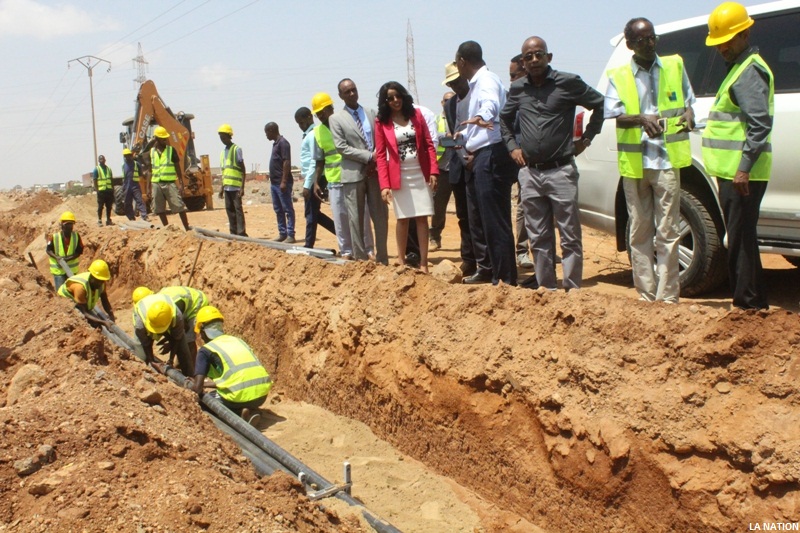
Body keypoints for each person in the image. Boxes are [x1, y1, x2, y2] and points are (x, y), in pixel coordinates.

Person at [500, 36, 605, 291]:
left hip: (561, 171)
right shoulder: (518, 89)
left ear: (549, 57)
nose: (534, 60)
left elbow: (600, 104)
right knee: (538, 238)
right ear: (523, 62)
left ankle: (572, 292)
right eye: (529, 57)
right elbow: (504, 120)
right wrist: (512, 147)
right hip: (530, 174)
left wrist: (587, 138)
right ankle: (547, 292)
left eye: (539, 54)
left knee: (570, 236)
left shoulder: (568, 82)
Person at [605, 18, 696, 303]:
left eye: (652, 37)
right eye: (642, 40)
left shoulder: (674, 66)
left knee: (669, 230)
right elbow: (614, 114)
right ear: (630, 44)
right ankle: (646, 296)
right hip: (636, 164)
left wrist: (689, 116)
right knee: (640, 231)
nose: (649, 43)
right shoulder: (619, 74)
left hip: (666, 161)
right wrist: (641, 119)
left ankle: (667, 298)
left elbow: (689, 104)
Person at [703, 2, 774, 309]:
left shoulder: (748, 71)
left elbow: (760, 125)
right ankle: (754, 304)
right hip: (734, 173)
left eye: (728, 41)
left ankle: (746, 305)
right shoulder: (739, 69)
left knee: (741, 241)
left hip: (741, 175)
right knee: (743, 238)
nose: (722, 48)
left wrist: (743, 168)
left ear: (745, 34)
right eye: (719, 43)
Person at [455, 41, 518, 286]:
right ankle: (497, 275)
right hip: (484, 154)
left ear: (462, 61)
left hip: (491, 155)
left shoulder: (486, 80)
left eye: (457, 63)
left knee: (495, 222)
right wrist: (464, 137)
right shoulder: (478, 83)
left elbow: (490, 104)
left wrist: (482, 116)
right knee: (488, 221)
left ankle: (504, 281)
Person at [374, 82, 439, 273]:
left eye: (398, 96)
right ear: (385, 102)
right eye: (390, 98)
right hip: (399, 175)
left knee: (422, 218)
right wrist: (384, 185)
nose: (395, 100)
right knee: (402, 219)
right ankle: (401, 262)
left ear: (403, 96)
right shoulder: (381, 122)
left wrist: (433, 171)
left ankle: (424, 264)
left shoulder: (416, 115)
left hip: (420, 173)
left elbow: (428, 144)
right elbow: (380, 155)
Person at [329, 78, 387, 264]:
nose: (352, 94)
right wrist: (368, 157)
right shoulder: (336, 119)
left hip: (375, 173)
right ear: (340, 96)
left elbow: (381, 138)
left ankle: (383, 258)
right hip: (353, 175)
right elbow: (341, 147)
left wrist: (375, 159)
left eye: (353, 89)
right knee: (355, 219)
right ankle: (360, 259)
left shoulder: (371, 113)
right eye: (347, 92)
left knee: (380, 217)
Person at [310, 92, 374, 260]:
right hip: (335, 180)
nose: (320, 116)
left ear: (331, 108)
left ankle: (368, 250)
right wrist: (316, 182)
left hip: (354, 177)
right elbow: (320, 160)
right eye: (317, 113)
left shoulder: (345, 122)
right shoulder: (317, 132)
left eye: (323, 111)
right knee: (340, 218)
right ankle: (346, 251)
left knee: (362, 215)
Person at [188, 306, 273, 423]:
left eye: (200, 333)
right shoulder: (238, 341)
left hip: (238, 397)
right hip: (261, 395)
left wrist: (189, 387)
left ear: (203, 331)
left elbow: (197, 389)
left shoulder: (205, 350)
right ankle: (249, 410)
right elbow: (233, 378)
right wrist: (206, 383)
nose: (201, 337)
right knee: (234, 394)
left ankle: (238, 412)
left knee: (207, 400)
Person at [443, 63, 478, 277]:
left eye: (457, 81)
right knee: (464, 216)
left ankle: (486, 260)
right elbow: (454, 134)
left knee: (480, 216)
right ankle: (469, 259)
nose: (456, 85)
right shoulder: (450, 105)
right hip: (459, 166)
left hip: (479, 163)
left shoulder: (478, 97)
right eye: (451, 83)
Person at [295, 107, 335, 248]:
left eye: (301, 122)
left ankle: (308, 245)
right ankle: (340, 232)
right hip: (312, 178)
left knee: (311, 213)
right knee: (313, 213)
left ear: (309, 117)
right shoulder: (308, 134)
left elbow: (314, 161)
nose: (300, 126)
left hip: (315, 179)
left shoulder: (313, 134)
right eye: (298, 124)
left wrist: (308, 185)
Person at [509, 54, 535, 272]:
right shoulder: (515, 95)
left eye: (513, 75)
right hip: (522, 158)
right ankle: (522, 250)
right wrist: (515, 149)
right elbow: (508, 125)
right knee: (525, 204)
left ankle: (542, 247)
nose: (511, 80)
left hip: (546, 157)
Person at [133, 292, 193, 376]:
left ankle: (189, 377)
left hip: (167, 319)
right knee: (141, 357)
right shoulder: (140, 324)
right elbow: (145, 343)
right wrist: (152, 361)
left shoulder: (177, 316)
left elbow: (177, 338)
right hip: (146, 321)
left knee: (183, 350)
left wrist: (171, 360)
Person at [428, 90, 456, 252]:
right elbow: (432, 135)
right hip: (442, 169)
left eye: (452, 100)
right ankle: (434, 237)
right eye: (446, 100)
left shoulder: (462, 117)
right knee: (438, 206)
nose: (448, 103)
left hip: (460, 168)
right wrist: (445, 135)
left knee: (464, 208)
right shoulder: (436, 120)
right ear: (441, 103)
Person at [150, 126, 191, 231]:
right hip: (156, 183)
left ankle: (187, 228)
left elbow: (177, 167)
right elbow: (150, 168)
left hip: (169, 183)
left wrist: (181, 182)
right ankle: (167, 229)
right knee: (159, 208)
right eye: (162, 138)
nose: (165, 140)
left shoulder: (171, 150)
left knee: (179, 205)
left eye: (165, 138)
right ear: (156, 138)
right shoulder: (152, 152)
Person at [57, 259, 115, 327]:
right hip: (65, 303)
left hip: (81, 303)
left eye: (102, 281)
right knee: (87, 323)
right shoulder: (80, 287)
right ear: (91, 276)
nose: (100, 283)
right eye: (97, 280)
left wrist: (111, 315)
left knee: (95, 323)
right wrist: (103, 322)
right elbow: (84, 312)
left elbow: (105, 300)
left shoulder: (102, 283)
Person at [265, 122, 295, 243]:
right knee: (278, 209)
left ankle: (290, 234)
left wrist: (284, 181)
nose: (266, 135)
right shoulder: (276, 144)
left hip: (281, 183)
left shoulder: (283, 143)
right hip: (274, 183)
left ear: (272, 130)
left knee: (287, 209)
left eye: (266, 132)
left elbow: (286, 162)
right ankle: (283, 233)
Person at [218, 124, 247, 236]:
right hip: (227, 187)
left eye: (224, 137)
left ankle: (241, 233)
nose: (222, 140)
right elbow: (224, 172)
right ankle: (233, 233)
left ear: (229, 136)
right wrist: (222, 188)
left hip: (236, 187)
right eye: (221, 137)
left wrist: (242, 187)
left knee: (238, 209)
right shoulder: (222, 153)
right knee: (229, 210)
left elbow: (243, 169)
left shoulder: (236, 149)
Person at [46, 211, 84, 290]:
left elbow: (79, 251)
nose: (69, 227)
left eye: (71, 224)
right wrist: (57, 257)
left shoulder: (76, 236)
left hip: (71, 270)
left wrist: (67, 259)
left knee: (71, 292)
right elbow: (48, 250)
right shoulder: (54, 237)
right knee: (61, 292)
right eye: (67, 224)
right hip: (59, 270)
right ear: (62, 225)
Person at [121, 148, 149, 222]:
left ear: (131, 155)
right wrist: (123, 187)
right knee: (127, 202)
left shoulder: (137, 164)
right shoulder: (123, 165)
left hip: (135, 185)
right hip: (126, 186)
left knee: (139, 200)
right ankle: (131, 217)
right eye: (126, 156)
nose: (127, 157)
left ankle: (144, 216)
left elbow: (141, 176)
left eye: (128, 155)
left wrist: (143, 190)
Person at [92, 155, 114, 227]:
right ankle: (99, 220)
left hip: (109, 190)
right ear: (99, 161)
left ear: (105, 160)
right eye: (100, 159)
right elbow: (95, 180)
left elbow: (111, 179)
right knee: (100, 206)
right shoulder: (96, 169)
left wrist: (112, 189)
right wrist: (97, 190)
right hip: (101, 191)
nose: (102, 160)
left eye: (103, 159)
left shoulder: (109, 169)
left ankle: (108, 220)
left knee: (109, 206)